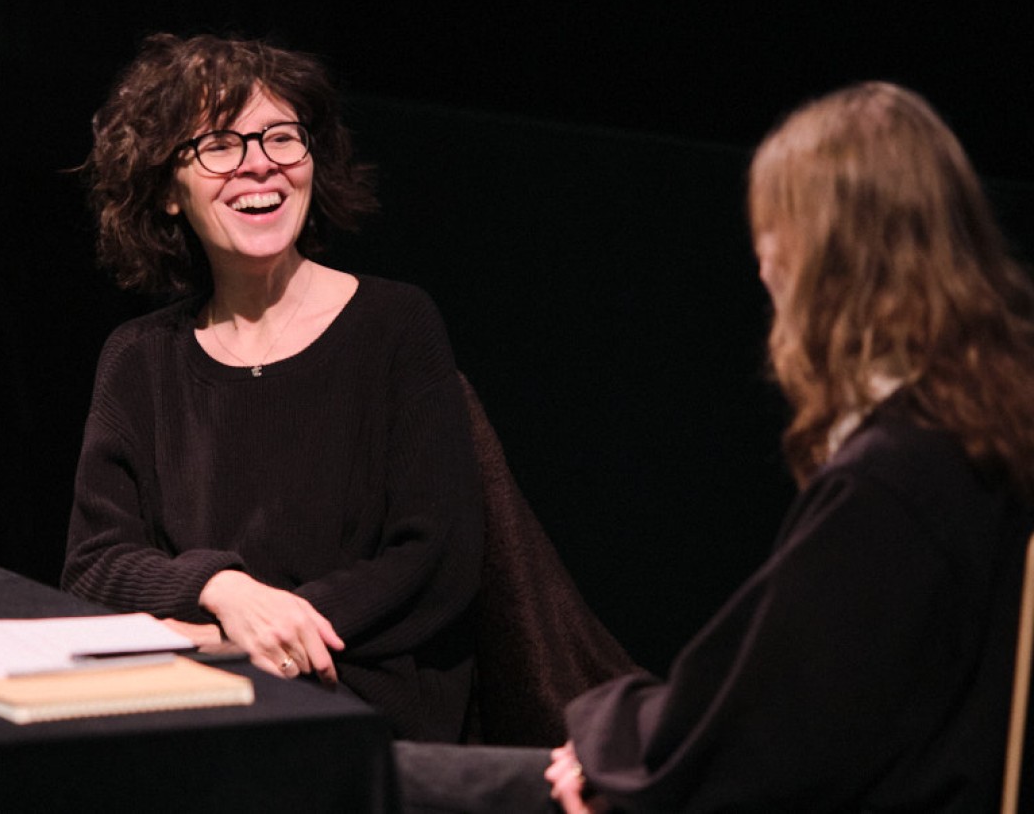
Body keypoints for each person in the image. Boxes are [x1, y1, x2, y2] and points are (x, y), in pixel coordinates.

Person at [397, 81, 1034, 810]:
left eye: (773, 234)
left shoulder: (894, 478)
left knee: (381, 780)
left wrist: (616, 764)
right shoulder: (989, 425)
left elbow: (777, 723)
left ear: (822, 256)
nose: (764, 266)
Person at [60, 32, 484, 742]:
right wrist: (222, 589)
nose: (259, 165)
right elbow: (94, 565)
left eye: (282, 138)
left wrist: (269, 636)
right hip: (189, 700)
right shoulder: (139, 358)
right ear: (168, 191)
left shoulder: (394, 325)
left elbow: (433, 557)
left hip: (361, 702)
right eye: (220, 145)